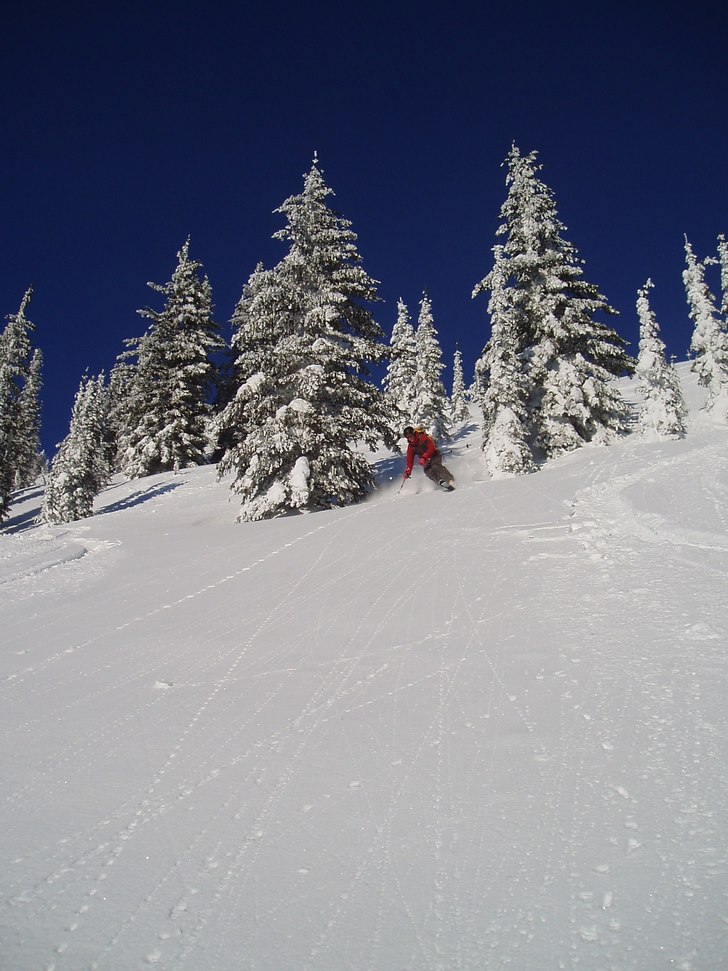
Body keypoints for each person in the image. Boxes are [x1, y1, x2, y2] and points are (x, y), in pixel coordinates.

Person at [402, 426, 455, 490]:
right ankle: (440, 481)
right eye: (407, 437)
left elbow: (431, 447)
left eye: (410, 436)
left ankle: (450, 479)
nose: (409, 438)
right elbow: (410, 461)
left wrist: (425, 456)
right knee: (427, 471)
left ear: (413, 433)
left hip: (434, 454)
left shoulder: (422, 437)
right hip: (425, 460)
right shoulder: (411, 447)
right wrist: (407, 472)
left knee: (435, 466)